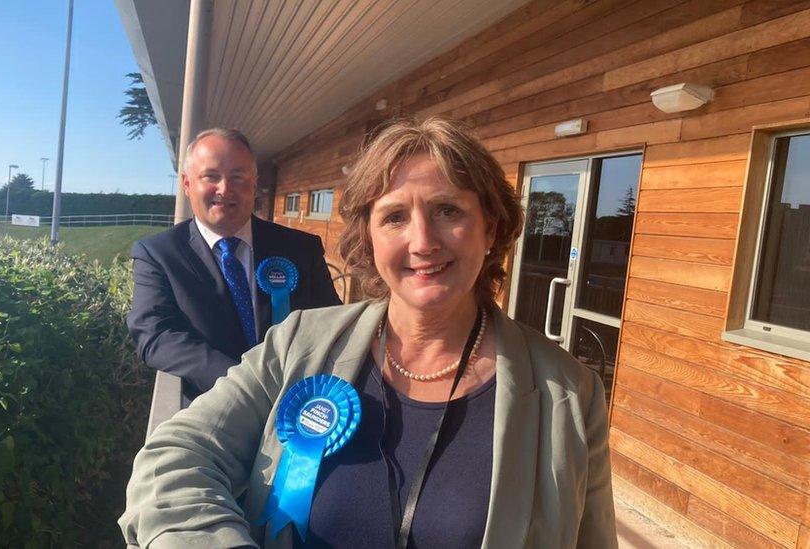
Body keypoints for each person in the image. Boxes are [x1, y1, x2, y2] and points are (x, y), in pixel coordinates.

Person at [120, 118, 616, 548]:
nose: (422, 241)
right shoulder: (298, 346)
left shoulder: (569, 395)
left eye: (449, 210)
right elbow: (171, 463)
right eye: (395, 216)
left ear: (491, 228)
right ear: (369, 237)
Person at [126, 128, 342, 406]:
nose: (225, 188)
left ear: (254, 185)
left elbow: (331, 322)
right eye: (211, 176)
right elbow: (155, 334)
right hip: (215, 408)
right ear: (187, 184)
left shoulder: (301, 248)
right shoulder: (158, 254)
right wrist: (242, 381)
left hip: (300, 406)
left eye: (238, 177)